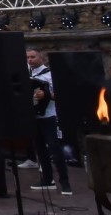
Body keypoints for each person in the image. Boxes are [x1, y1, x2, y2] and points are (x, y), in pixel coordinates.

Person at [27, 49, 72, 195]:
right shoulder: (28, 74)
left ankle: (65, 182)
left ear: (40, 57)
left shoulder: (49, 74)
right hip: (34, 117)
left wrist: (45, 94)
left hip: (49, 116)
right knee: (40, 150)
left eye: (33, 57)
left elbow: (60, 95)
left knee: (55, 149)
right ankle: (47, 179)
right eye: (28, 57)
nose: (30, 60)